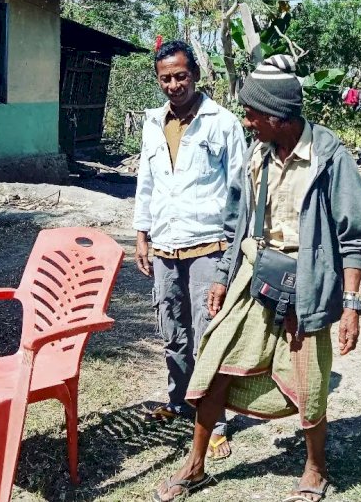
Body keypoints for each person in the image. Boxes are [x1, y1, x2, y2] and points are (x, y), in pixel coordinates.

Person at [153, 55, 361, 502]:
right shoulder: (257, 156)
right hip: (254, 277)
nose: (246, 120)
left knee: (309, 380)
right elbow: (235, 222)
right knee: (213, 362)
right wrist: (222, 276)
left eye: (252, 113)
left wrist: (350, 306)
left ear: (276, 116)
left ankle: (315, 469)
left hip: (308, 283)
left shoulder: (329, 159)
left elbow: (354, 238)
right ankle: (195, 465)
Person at [132, 40, 246, 459]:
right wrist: (141, 233)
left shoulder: (223, 123)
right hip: (164, 244)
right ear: (158, 80)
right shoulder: (152, 123)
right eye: (166, 78)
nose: (174, 85)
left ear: (195, 74)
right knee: (171, 330)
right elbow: (147, 182)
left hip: (208, 245)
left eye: (181, 75)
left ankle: (214, 420)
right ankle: (179, 401)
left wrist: (233, 253)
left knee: (207, 334)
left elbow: (239, 192)